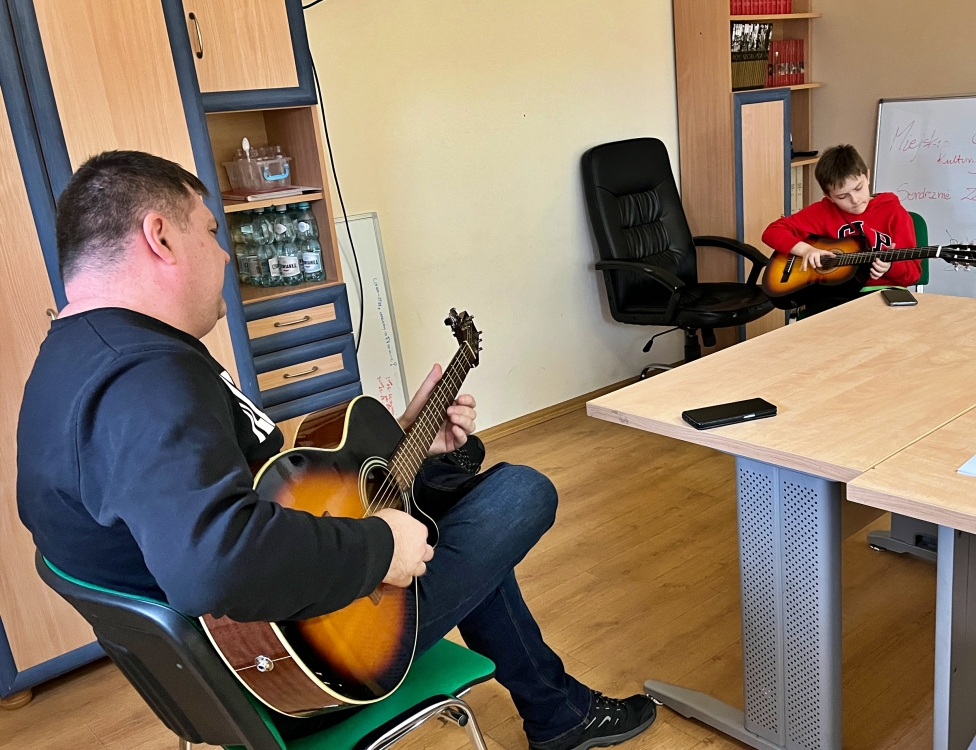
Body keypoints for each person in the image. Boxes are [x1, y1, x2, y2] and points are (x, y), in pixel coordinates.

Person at [16, 151, 656, 750]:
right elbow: (214, 565)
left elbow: (249, 488)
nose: (225, 255)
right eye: (209, 232)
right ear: (159, 237)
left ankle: (557, 712)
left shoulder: (76, 360)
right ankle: (558, 712)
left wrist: (407, 436)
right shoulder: (146, 381)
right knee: (516, 494)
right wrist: (381, 549)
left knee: (444, 486)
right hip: (297, 663)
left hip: (235, 659)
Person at [762, 144, 922, 316]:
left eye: (858, 188)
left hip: (883, 292)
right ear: (829, 197)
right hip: (834, 294)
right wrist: (806, 250)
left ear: (867, 176)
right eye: (842, 196)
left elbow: (914, 274)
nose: (854, 200)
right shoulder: (823, 212)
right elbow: (772, 232)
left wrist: (890, 266)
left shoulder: (894, 212)